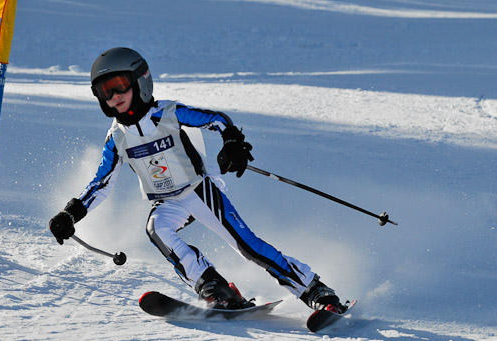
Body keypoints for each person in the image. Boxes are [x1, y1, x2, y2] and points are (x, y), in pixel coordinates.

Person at [49, 47, 347, 313]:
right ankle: (213, 286)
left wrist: (232, 142)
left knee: (247, 246)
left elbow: (216, 119)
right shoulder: (117, 138)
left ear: (139, 81)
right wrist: (70, 213)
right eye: (105, 91)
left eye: (119, 86)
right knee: (156, 229)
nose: (114, 96)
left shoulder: (168, 113)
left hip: (199, 190)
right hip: (166, 202)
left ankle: (314, 289)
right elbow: (101, 183)